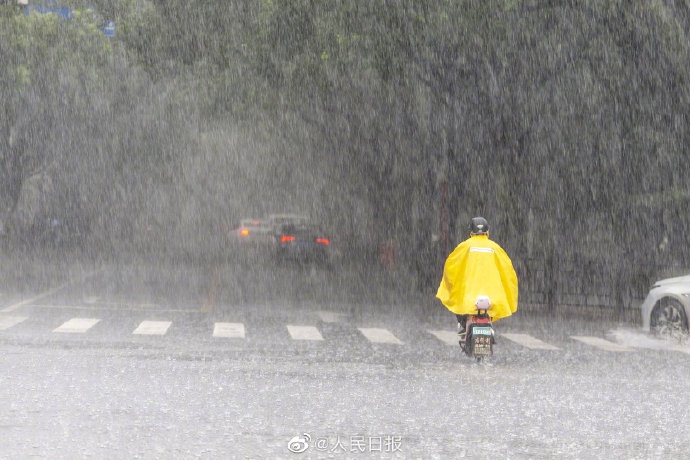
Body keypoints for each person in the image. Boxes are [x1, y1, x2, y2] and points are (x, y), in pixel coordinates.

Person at [436, 217, 518, 340]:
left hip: (469, 293)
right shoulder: (495, 248)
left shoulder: (465, 246)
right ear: (487, 231)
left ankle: (464, 327)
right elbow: (508, 270)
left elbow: (451, 266)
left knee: (460, 307)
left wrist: (453, 282)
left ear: (471, 231)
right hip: (492, 293)